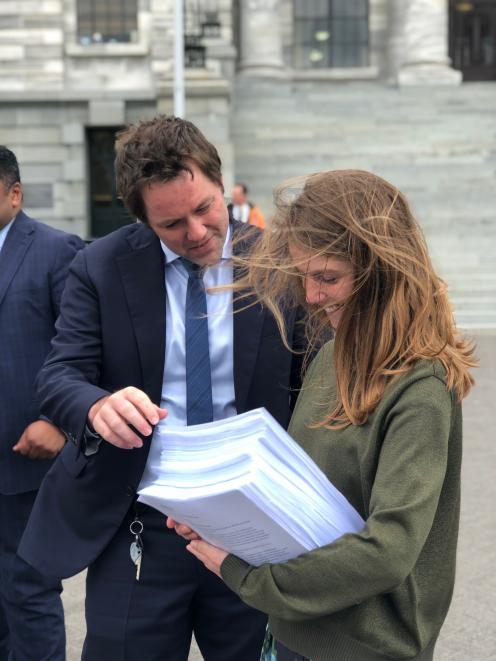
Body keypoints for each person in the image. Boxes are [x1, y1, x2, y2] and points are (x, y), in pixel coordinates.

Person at [18, 116, 304, 660]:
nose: (196, 233)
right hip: (141, 520)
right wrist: (97, 404)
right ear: (143, 219)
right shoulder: (98, 268)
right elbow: (58, 376)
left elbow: (316, 380)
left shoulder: (280, 263)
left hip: (255, 524)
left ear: (221, 185)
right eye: (172, 223)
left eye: (205, 209)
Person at [171, 169, 477, 661]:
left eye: (328, 278)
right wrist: (218, 517)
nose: (311, 297)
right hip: (296, 634)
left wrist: (243, 575)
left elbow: (388, 550)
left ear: (381, 270)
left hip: (367, 648)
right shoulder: (332, 353)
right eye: (304, 277)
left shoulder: (421, 385)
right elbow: (303, 497)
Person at [0, 146, 84, 660]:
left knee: (27, 593)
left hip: (23, 462)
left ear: (14, 193)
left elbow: (82, 349)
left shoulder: (56, 250)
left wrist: (58, 421)